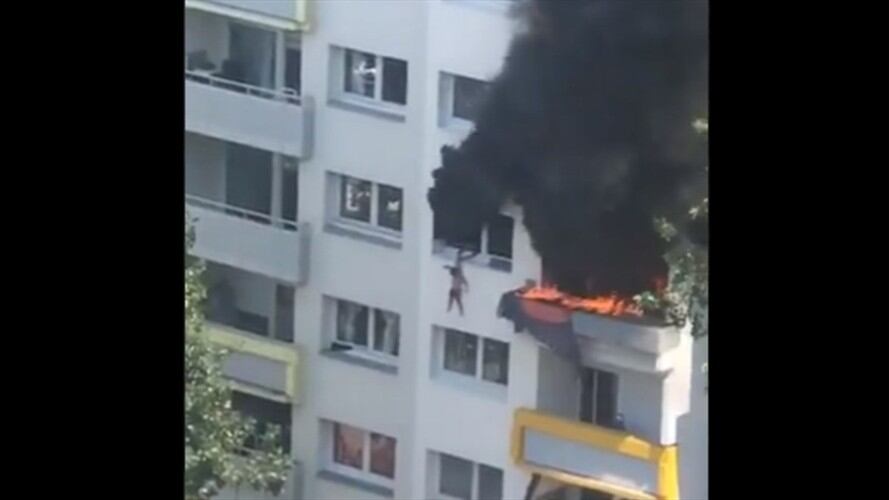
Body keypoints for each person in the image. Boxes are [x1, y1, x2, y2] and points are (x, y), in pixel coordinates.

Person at [445, 247, 478, 315]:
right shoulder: (457, 271)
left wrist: (467, 287)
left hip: (457, 290)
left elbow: (465, 282)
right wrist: (447, 267)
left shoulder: (459, 275)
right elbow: (452, 269)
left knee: (458, 301)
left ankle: (460, 312)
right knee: (452, 300)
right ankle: (450, 310)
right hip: (453, 289)